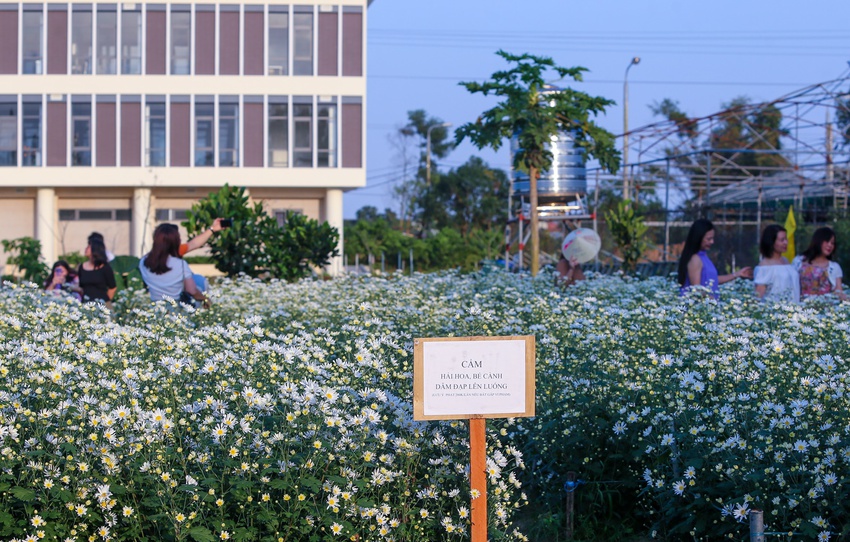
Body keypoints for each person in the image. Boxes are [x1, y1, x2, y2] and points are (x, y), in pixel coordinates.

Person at [139, 223, 210, 307]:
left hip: (155, 307)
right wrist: (205, 299)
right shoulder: (180, 264)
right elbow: (192, 291)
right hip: (174, 308)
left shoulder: (143, 261)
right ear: (175, 241)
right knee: (200, 280)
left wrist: (212, 229)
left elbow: (193, 244)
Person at [678, 218, 752, 298]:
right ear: (698, 238)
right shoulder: (695, 259)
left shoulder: (703, 256)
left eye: (712, 238)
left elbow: (713, 280)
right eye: (708, 239)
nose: (712, 242)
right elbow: (696, 290)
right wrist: (712, 300)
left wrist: (737, 274)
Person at [792, 226, 845, 300]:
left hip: (824, 308)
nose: (830, 245)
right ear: (818, 241)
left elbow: (838, 291)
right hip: (800, 307)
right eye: (827, 241)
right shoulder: (798, 261)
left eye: (832, 243)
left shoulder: (834, 267)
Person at [754, 224, 800, 303]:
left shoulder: (786, 261)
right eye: (782, 240)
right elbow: (758, 295)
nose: (785, 243)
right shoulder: (765, 266)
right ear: (772, 242)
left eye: (786, 239)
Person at [77, 238, 117, 303]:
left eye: (88, 247)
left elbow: (112, 288)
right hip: (86, 304)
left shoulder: (105, 267)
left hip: (102, 304)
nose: (86, 249)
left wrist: (106, 301)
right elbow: (81, 287)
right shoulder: (82, 267)